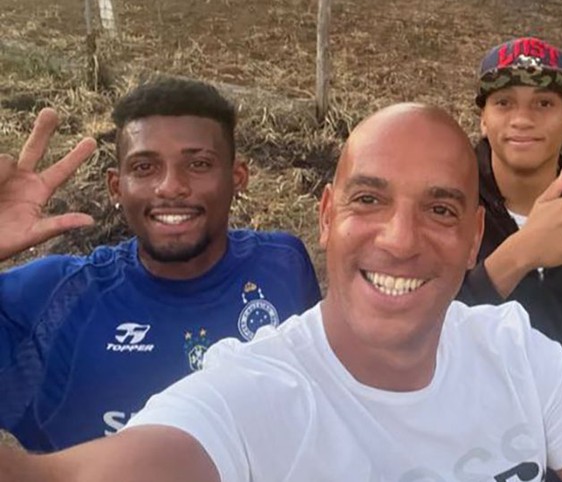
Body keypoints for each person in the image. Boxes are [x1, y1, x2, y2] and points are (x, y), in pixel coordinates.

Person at [0, 103, 562, 482]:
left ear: (474, 238)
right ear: (326, 216)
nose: (399, 238)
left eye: (440, 209)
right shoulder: (249, 396)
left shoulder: (515, 352)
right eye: (369, 200)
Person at [0, 78, 321, 452]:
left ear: (237, 178)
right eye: (144, 167)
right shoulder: (53, 300)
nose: (170, 186)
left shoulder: (284, 264)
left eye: (198, 164)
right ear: (116, 186)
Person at [457, 37, 562, 373]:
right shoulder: (452, 194)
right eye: (504, 103)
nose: (522, 119)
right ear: (483, 119)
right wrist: (519, 254)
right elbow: (425, 324)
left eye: (544, 103)